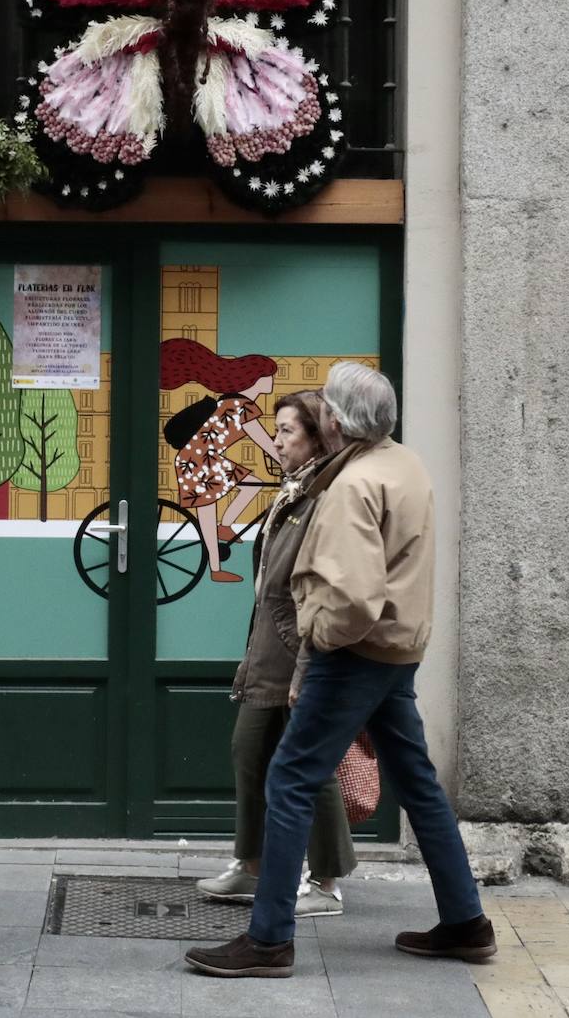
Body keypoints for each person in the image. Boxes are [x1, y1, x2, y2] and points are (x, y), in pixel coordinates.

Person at [185, 361, 496, 978]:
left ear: (336, 419)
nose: (321, 410)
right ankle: (467, 923)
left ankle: (270, 939)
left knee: (291, 779)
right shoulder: (402, 464)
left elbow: (353, 598)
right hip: (395, 651)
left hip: (353, 654)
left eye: (326, 404)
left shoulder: (354, 485)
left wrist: (318, 643)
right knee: (418, 787)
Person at [197, 391, 356, 916]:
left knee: (309, 762)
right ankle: (253, 865)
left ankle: (327, 882)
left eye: (288, 430)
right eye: (279, 429)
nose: (279, 439)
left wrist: (306, 654)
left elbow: (319, 585)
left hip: (296, 646)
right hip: (268, 644)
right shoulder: (295, 489)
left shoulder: (322, 496)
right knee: (249, 750)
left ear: (315, 436)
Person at [160, 338, 281, 581]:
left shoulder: (231, 402)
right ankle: (215, 569)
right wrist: (287, 460)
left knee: (252, 485)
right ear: (255, 379)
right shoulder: (240, 405)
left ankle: (223, 528)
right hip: (199, 460)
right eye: (269, 375)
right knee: (208, 513)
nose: (272, 381)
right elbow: (262, 441)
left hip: (203, 458)